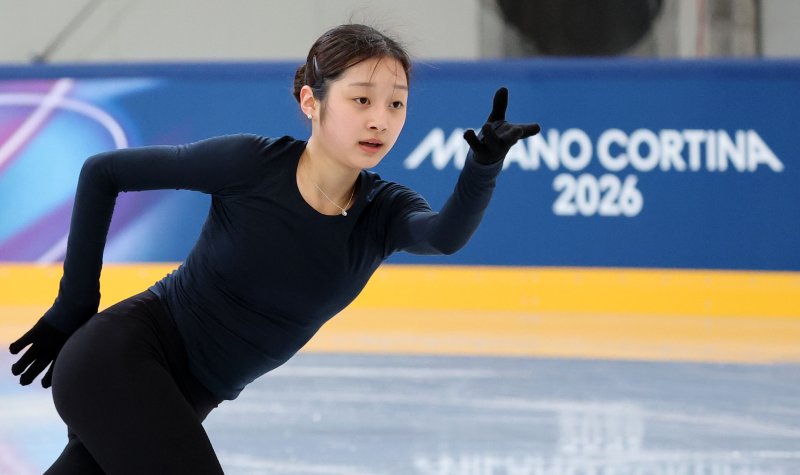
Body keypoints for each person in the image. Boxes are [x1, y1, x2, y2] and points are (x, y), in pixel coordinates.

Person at [9, 23, 540, 474]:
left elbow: (443, 235)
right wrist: (73, 306)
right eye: (361, 99)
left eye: (396, 103)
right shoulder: (249, 165)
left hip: (176, 399)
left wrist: (483, 166)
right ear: (312, 101)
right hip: (118, 360)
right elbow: (103, 172)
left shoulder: (385, 212)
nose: (380, 119)